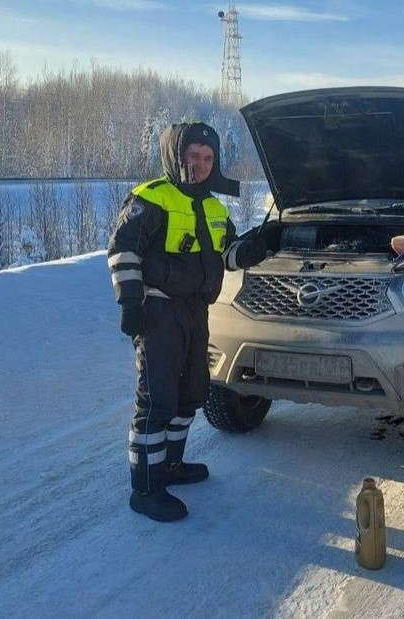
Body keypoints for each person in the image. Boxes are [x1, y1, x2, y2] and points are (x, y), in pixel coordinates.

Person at [107, 121, 268, 522]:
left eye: (207, 157)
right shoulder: (151, 198)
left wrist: (256, 246)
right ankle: (145, 488)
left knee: (191, 393)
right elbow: (122, 251)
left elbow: (226, 254)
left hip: (195, 311)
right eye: (192, 155)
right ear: (176, 156)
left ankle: (171, 466)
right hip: (158, 311)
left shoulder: (214, 206)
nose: (200, 164)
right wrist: (130, 305)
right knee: (156, 400)